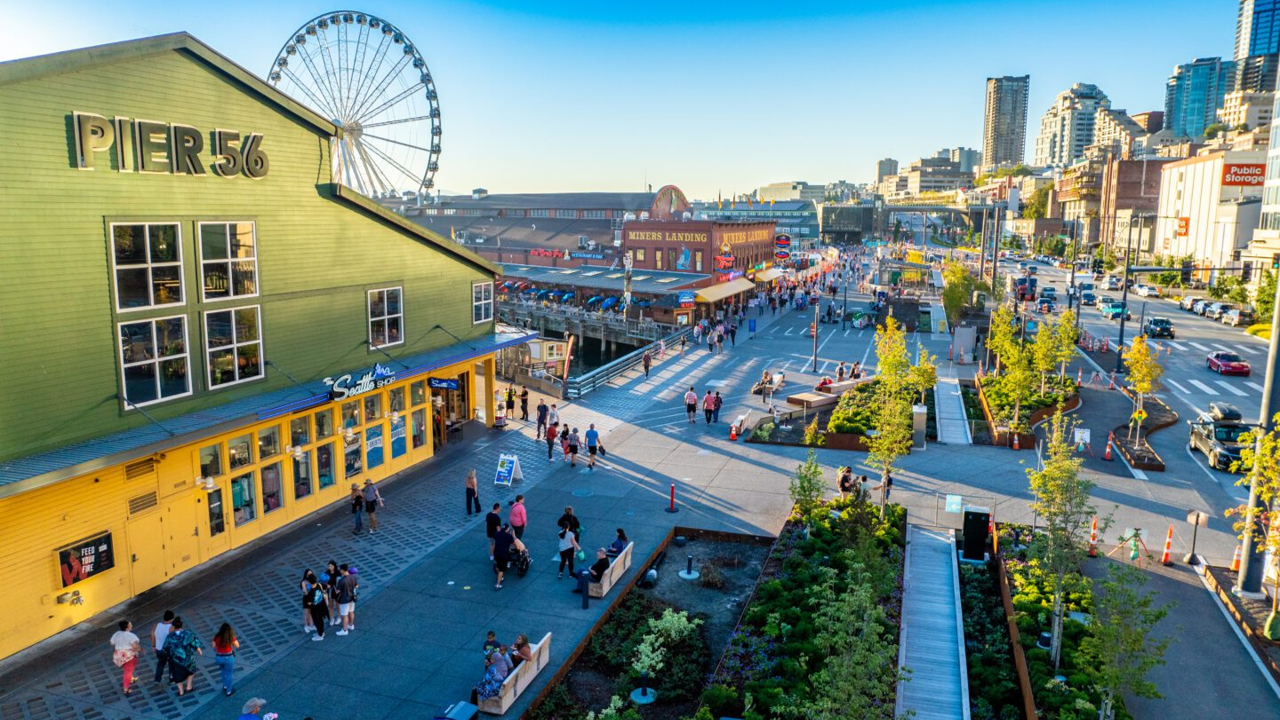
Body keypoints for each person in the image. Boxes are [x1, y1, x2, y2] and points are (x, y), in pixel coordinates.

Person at [162, 616, 203, 695]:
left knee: (177, 675)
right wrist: (198, 650)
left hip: (175, 659)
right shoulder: (188, 634)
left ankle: (181, 691)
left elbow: (165, 647)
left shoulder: (170, 636)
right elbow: (195, 643)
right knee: (191, 671)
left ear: (173, 626)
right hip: (187, 657)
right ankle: (189, 686)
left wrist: (168, 655)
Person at [110, 620, 142, 696]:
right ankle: (125, 689)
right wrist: (139, 650)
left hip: (118, 655)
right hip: (129, 655)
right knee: (128, 671)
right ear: (127, 627)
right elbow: (135, 646)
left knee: (126, 668)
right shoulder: (131, 636)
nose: (132, 626)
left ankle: (131, 678)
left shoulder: (117, 633)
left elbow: (112, 643)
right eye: (130, 625)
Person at [212, 622, 240, 696]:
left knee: (223, 671)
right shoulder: (230, 637)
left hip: (219, 657)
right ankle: (229, 691)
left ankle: (224, 686)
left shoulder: (217, 636)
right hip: (228, 657)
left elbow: (213, 645)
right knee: (229, 674)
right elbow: (237, 645)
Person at [150, 610, 174, 684]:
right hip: (168, 650)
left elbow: (152, 634)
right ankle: (171, 679)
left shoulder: (156, 625)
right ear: (172, 619)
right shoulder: (171, 627)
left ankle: (157, 679)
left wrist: (154, 646)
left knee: (160, 664)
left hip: (159, 649)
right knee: (172, 664)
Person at [305, 571, 328, 641]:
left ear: (309, 582)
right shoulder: (319, 585)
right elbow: (326, 588)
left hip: (315, 609)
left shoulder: (310, 592)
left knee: (317, 621)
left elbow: (309, 603)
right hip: (322, 606)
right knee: (320, 620)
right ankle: (321, 632)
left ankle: (320, 635)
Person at [336, 564, 358, 635]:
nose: (340, 570)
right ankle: (351, 625)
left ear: (342, 570)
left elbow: (338, 591)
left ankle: (344, 630)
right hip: (352, 598)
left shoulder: (341, 580)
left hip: (344, 599)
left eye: (340, 569)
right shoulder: (353, 577)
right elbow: (356, 585)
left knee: (344, 615)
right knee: (351, 611)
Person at [493, 523, 515, 590]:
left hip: (496, 553)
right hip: (503, 554)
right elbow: (514, 544)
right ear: (507, 529)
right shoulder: (509, 536)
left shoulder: (497, 534)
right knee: (501, 569)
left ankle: (499, 574)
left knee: (497, 566)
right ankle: (498, 584)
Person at [324, 559, 341, 627]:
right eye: (329, 566)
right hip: (330, 590)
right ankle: (332, 618)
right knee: (330, 605)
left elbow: (340, 581)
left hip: (336, 590)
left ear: (334, 566)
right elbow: (324, 581)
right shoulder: (326, 573)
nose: (329, 567)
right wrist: (326, 585)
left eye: (331, 566)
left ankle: (339, 617)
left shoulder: (338, 572)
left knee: (337, 604)